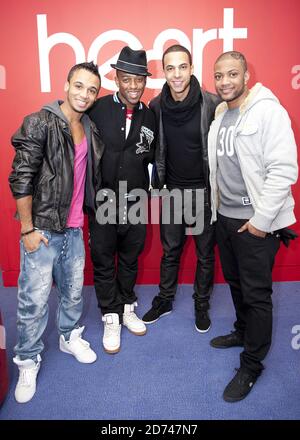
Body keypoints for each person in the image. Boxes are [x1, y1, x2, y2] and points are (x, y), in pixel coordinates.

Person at [8, 62, 104, 404]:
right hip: (43, 230)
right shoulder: (41, 121)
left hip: (76, 228)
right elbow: (20, 177)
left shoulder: (89, 127)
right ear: (66, 84)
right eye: (79, 86)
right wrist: (28, 229)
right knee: (33, 302)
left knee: (73, 293)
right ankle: (28, 359)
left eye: (92, 90)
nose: (84, 94)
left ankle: (69, 335)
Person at [208, 51, 298, 402]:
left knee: (257, 293)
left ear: (246, 76)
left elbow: (284, 171)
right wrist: (218, 214)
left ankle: (252, 364)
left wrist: (261, 222)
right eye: (219, 76)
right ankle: (243, 332)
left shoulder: (268, 112)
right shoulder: (220, 115)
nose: (225, 81)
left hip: (255, 224)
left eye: (232, 74)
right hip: (225, 219)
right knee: (235, 283)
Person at [142, 45, 219, 333]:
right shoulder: (157, 106)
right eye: (171, 68)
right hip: (172, 192)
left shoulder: (210, 104)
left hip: (203, 193)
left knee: (205, 254)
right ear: (164, 71)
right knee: (170, 251)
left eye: (182, 67)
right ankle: (165, 299)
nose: (177, 74)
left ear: (191, 68)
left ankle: (201, 303)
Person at [87, 46, 156, 354]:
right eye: (126, 79)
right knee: (103, 261)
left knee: (130, 258)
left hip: (137, 200)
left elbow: (155, 158)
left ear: (144, 82)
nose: (133, 86)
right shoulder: (96, 109)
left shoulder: (151, 115)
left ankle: (127, 305)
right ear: (115, 78)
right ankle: (110, 315)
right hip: (103, 200)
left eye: (138, 80)